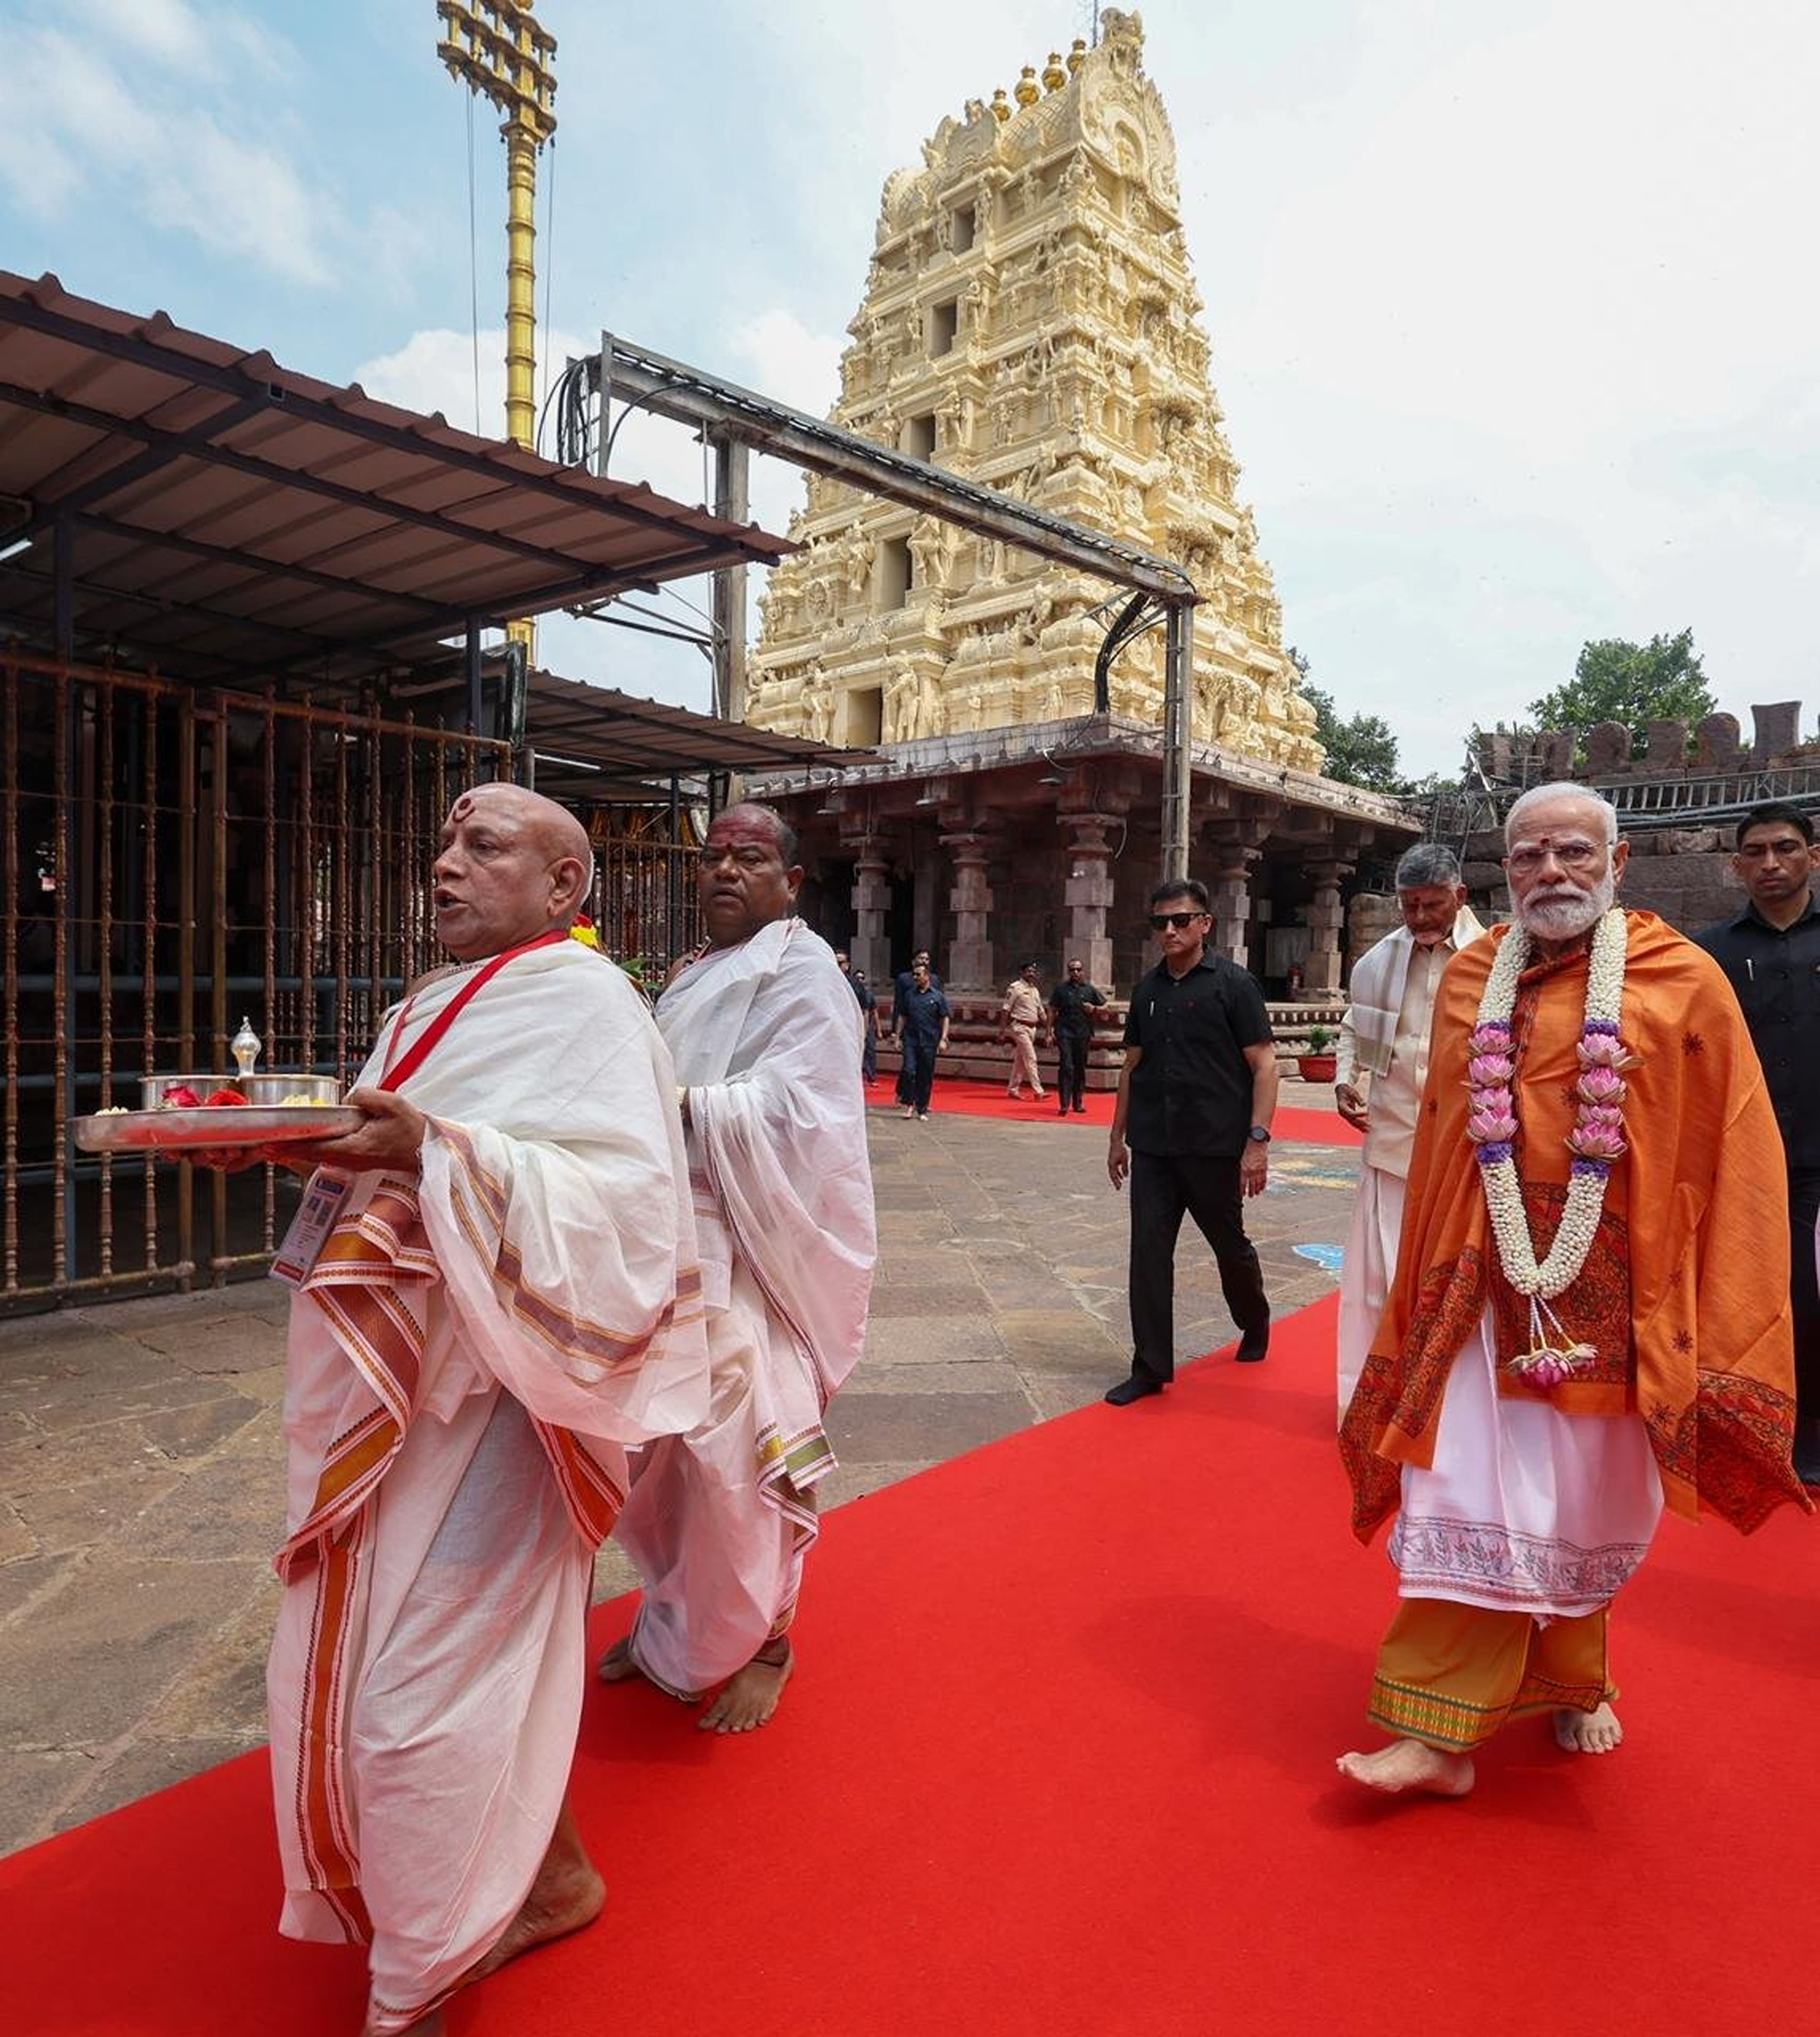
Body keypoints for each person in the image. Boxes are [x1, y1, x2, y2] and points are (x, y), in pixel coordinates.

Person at [228, 781, 710, 2036]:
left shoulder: (592, 1003)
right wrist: (291, 1141)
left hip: (511, 1395)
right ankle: (549, 1876)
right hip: (395, 1386)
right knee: (404, 1660)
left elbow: (633, 1213)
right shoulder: (421, 1004)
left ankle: (418, 1975)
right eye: (444, 842)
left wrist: (441, 1150)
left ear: (564, 885)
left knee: (412, 1703)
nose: (444, 864)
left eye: (482, 845)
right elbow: (381, 1151)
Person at [1337, 784, 1806, 1800]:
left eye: (1573, 852)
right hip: (1482, 1286)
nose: (1550, 872)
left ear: (1618, 862)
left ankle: (1574, 1679)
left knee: (1581, 1503)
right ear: (1505, 871)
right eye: (1528, 855)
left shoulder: (1680, 978)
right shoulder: (1474, 977)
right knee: (1465, 1490)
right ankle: (1436, 1731)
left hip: (1619, 1290)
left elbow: (1728, 1141)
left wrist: (1709, 1291)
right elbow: (1442, 1142)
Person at [599, 804, 876, 1731]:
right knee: (656, 1458)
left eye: (749, 857)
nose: (724, 870)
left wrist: (685, 1104)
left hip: (755, 1254)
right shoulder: (692, 974)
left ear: (790, 881)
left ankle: (768, 1641)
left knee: (743, 1453)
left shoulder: (805, 972)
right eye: (713, 855)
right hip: (673, 1243)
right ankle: (673, 1621)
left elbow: (810, 1113)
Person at [1104, 879, 1276, 1405]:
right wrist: (1116, 1137)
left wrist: (1257, 1142)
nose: (1170, 931)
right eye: (1160, 922)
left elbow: (1265, 1065)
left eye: (1181, 920)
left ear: (1205, 923)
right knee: (1148, 1253)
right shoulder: (1148, 991)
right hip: (1154, 1145)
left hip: (1214, 1145)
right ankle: (1150, 1367)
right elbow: (1131, 1067)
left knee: (1229, 1245)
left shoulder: (1234, 985)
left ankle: (1255, 1317)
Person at [1334, 845, 1485, 1421]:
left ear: (1460, 896)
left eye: (1432, 904)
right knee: (1381, 1280)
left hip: (1468, 1149)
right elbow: (1356, 1026)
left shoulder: (1495, 958)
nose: (1419, 917)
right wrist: (1346, 1079)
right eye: (1410, 905)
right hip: (1394, 1142)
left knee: (1450, 1283)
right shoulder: (1377, 962)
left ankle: (1452, 1410)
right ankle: (1372, 1399)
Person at [1694, 803, 1820, 1483]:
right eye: (1757, 852)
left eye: (1786, 848)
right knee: (1753, 1293)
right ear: (1736, 865)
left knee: (1813, 1294)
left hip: (1818, 1155)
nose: (1772, 863)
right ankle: (1758, 1426)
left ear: (1813, 856)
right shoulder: (1708, 954)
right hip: (1746, 1156)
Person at [1048, 956, 1108, 1116]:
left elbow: (1106, 1008)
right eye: (1072, 970)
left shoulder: (1089, 989)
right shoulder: (1061, 989)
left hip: (1083, 1032)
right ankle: (1064, 1103)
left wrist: (1094, 1009)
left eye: (1078, 970)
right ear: (1068, 972)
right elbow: (1052, 1010)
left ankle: (1078, 1102)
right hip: (1064, 1032)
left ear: (1083, 972)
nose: (1075, 972)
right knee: (1066, 1065)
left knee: (1080, 1067)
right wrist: (1049, 1032)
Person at [894, 959, 952, 1120]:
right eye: (914, 975)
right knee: (909, 1070)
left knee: (925, 1074)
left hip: (929, 1040)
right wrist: (897, 1037)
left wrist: (944, 1038)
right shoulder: (909, 995)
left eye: (918, 975)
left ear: (927, 976)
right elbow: (902, 1016)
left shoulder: (937, 996)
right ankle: (909, 1104)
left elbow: (945, 1017)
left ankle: (922, 1108)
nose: (915, 978)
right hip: (911, 1039)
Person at [891, 949, 941, 1108]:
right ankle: (904, 1094)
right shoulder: (904, 979)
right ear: (914, 961)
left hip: (928, 1031)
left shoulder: (935, 980)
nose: (924, 961)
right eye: (921, 958)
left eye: (927, 959)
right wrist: (895, 1033)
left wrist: (942, 1035)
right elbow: (899, 1007)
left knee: (925, 1068)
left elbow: (940, 1008)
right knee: (909, 1067)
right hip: (910, 1028)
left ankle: (921, 1101)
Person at [998, 961, 1049, 1101]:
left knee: (1021, 1060)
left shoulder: (1035, 990)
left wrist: (1049, 1029)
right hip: (1020, 1027)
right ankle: (1039, 1091)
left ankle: (1013, 1089)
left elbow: (1041, 1012)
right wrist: (1002, 1031)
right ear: (1023, 973)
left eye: (1033, 972)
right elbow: (1006, 1010)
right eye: (1029, 971)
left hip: (1033, 1028)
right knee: (1031, 1058)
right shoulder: (1015, 988)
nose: (1031, 974)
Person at [836, 949, 880, 1085]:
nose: (837, 966)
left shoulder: (855, 984)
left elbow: (865, 1010)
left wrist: (864, 1030)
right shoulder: (824, 981)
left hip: (851, 1026)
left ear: (847, 965)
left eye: (840, 963)